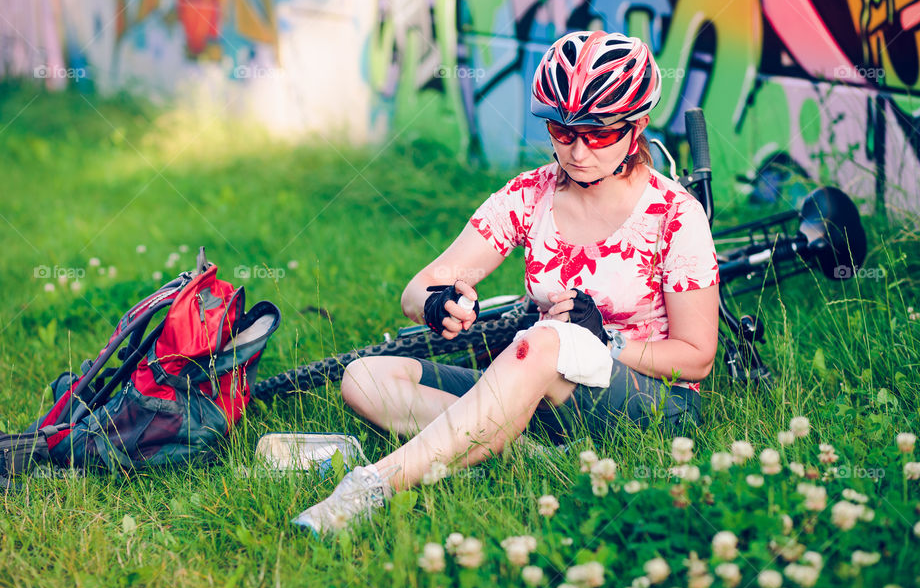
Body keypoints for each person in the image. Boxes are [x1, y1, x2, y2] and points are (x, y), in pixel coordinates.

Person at [293, 31, 720, 534]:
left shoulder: (674, 214)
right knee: (364, 377)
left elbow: (697, 355)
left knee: (544, 340)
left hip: (652, 403)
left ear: (637, 126)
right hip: (542, 388)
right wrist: (437, 304)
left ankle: (373, 485)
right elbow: (420, 287)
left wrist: (604, 342)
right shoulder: (530, 194)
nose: (578, 150)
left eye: (599, 134)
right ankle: (531, 454)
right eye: (563, 130)